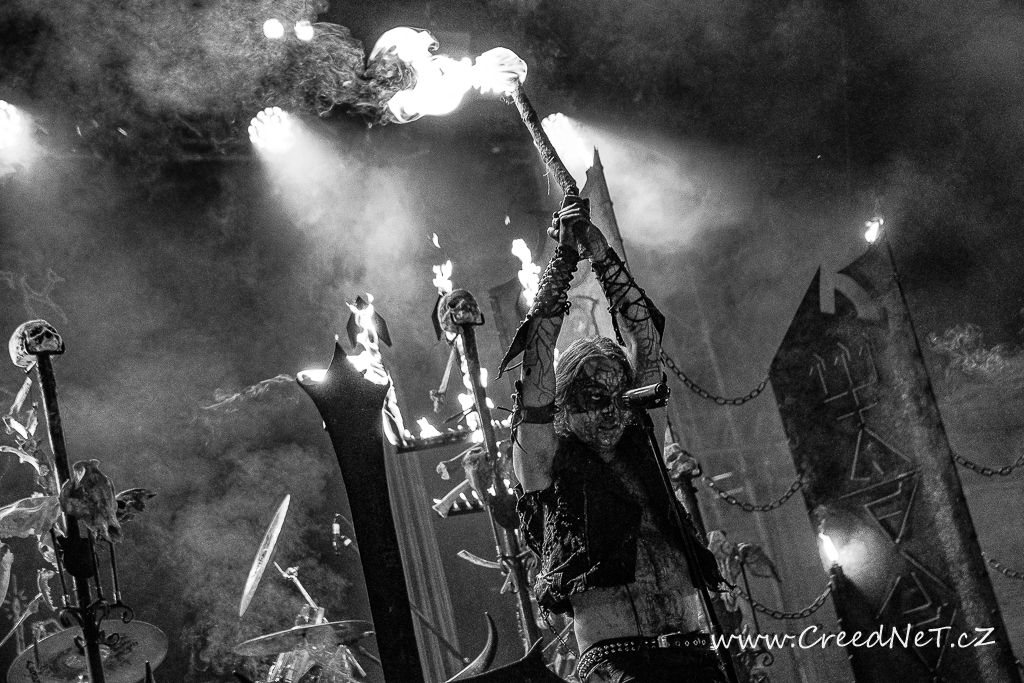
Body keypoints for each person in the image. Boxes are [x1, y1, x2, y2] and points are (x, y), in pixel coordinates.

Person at [498, 195, 728, 683]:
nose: (612, 412)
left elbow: (646, 337)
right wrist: (564, 258)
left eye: (620, 398)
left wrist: (600, 253)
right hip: (618, 665)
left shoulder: (639, 444)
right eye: (594, 398)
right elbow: (536, 370)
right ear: (564, 405)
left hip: (696, 655)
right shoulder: (544, 461)